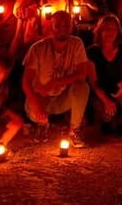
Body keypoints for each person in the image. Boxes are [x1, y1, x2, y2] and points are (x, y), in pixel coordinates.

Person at [22, 11, 90, 147]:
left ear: (71, 26)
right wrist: (36, 105)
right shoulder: (38, 48)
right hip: (40, 96)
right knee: (37, 114)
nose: (62, 28)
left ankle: (74, 131)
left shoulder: (76, 44)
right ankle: (42, 125)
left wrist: (56, 82)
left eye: (66, 25)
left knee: (82, 87)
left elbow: (82, 74)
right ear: (51, 26)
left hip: (61, 97)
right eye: (58, 25)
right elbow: (26, 82)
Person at [86, 14, 122, 135]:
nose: (110, 32)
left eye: (113, 29)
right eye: (106, 28)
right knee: (106, 115)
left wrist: (119, 87)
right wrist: (106, 100)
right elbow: (93, 82)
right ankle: (106, 121)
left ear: (118, 31)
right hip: (101, 90)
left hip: (119, 88)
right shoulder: (92, 52)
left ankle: (121, 122)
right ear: (100, 31)